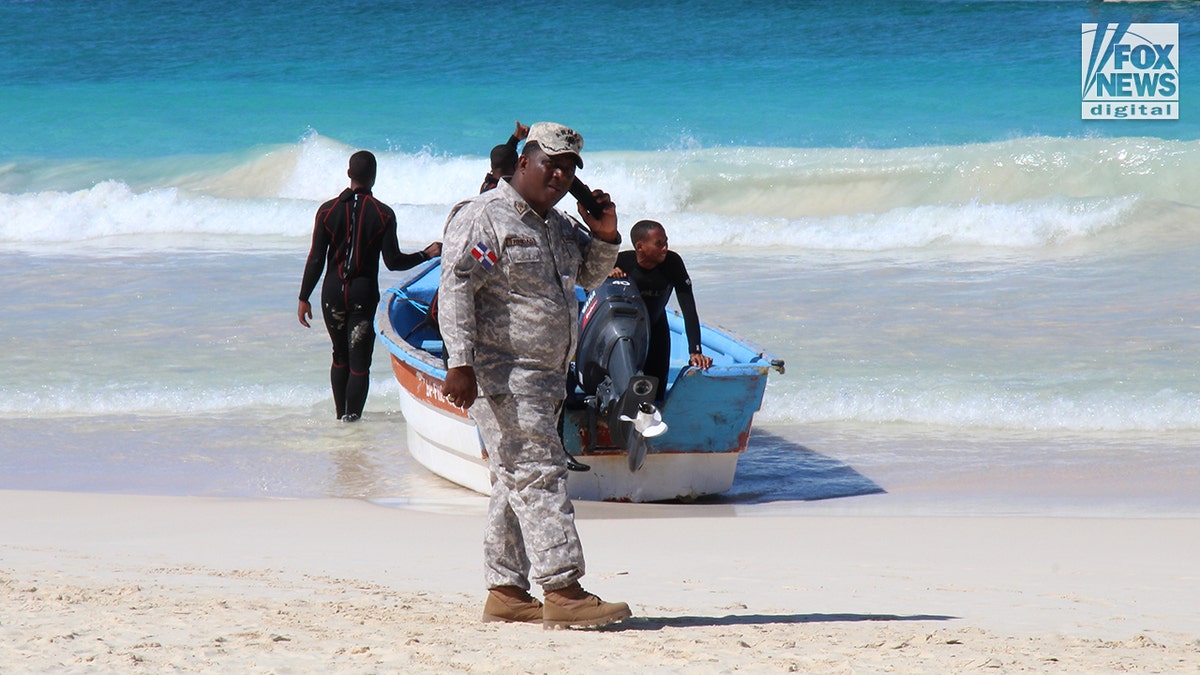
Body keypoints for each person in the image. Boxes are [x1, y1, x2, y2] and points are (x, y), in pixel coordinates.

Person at [438, 122, 632, 628]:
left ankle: (505, 591)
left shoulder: (559, 225)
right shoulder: (484, 217)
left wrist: (606, 232)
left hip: (546, 376)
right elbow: (456, 287)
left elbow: (588, 275)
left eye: (570, 168)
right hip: (502, 372)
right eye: (553, 164)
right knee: (540, 474)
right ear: (524, 162)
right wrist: (459, 362)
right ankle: (563, 590)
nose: (562, 175)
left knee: (514, 479)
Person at [298, 150, 441, 422]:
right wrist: (426, 254)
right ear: (374, 176)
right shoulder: (383, 215)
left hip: (331, 296)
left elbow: (316, 258)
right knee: (360, 365)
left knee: (339, 356)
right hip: (362, 296)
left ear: (349, 174)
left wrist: (304, 296)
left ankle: (341, 418)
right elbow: (393, 261)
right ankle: (352, 422)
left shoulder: (327, 211)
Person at [610, 220, 713, 401]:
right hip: (624, 335)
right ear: (640, 246)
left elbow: (688, 307)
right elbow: (592, 295)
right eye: (659, 244)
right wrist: (606, 276)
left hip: (657, 329)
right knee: (622, 388)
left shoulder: (672, 263)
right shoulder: (620, 263)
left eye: (666, 242)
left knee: (656, 393)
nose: (665, 247)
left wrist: (695, 350)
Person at [479, 120, 530, 193]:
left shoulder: (487, 185)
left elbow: (504, 155)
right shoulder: (509, 191)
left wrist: (515, 139)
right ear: (516, 166)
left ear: (492, 165)